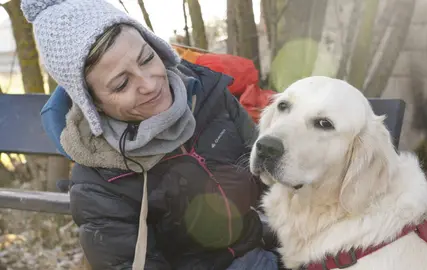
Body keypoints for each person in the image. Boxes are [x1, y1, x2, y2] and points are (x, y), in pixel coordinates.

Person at [20, 0, 279, 269]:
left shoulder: (208, 94)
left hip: (266, 250)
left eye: (146, 58)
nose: (149, 83)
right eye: (122, 84)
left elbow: (271, 179)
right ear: (92, 104)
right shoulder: (100, 184)